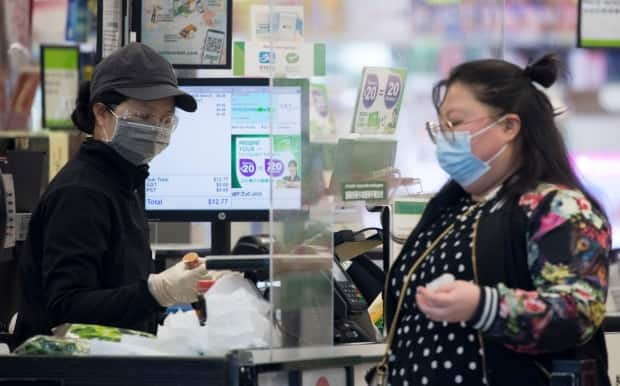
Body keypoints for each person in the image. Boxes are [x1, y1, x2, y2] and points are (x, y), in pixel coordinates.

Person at [384, 54, 611, 386]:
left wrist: (483, 304)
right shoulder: (451, 209)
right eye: (440, 126)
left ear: (508, 126)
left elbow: (578, 312)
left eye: (455, 123)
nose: (445, 137)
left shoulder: (557, 207)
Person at [14, 43, 208, 344]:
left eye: (166, 120)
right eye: (143, 116)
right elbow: (66, 309)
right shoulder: (81, 193)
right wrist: (156, 292)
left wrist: (170, 300)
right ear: (102, 113)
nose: (157, 130)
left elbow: (117, 290)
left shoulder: (122, 181)